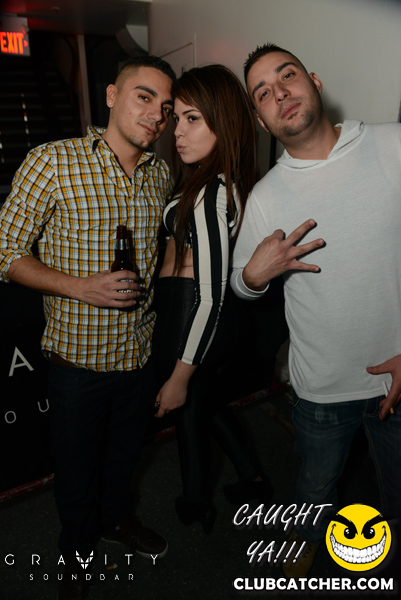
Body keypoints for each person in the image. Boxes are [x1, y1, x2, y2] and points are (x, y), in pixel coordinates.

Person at [0, 55, 176, 600]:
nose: (156, 114)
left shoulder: (160, 173)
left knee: (124, 462)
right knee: (76, 477)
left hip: (138, 357)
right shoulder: (53, 161)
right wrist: (81, 287)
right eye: (144, 96)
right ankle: (75, 557)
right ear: (111, 96)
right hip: (77, 367)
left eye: (166, 106)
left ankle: (117, 521)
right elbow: (6, 253)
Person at [231, 43, 401, 578]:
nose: (279, 92)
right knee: (314, 487)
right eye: (263, 92)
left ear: (315, 80)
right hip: (320, 388)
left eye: (286, 75)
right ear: (261, 119)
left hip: (397, 380)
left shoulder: (391, 144)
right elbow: (240, 282)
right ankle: (305, 538)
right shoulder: (265, 197)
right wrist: (253, 276)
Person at [152, 64, 273, 533]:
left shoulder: (210, 193)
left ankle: (195, 502)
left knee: (187, 411)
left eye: (192, 119)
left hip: (193, 312)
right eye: (176, 118)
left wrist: (179, 375)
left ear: (222, 122)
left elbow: (210, 293)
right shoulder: (218, 182)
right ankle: (253, 477)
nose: (176, 131)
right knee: (209, 404)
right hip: (197, 311)